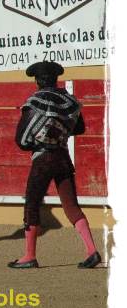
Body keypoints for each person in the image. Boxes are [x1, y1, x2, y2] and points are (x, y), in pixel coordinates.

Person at [8, 61, 101, 270]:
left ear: (37, 81)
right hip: (63, 157)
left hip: (43, 159)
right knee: (71, 205)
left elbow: (21, 140)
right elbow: (80, 128)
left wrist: (39, 140)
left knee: (32, 204)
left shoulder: (35, 102)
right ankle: (91, 250)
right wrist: (60, 131)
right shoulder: (69, 101)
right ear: (56, 79)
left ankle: (29, 256)